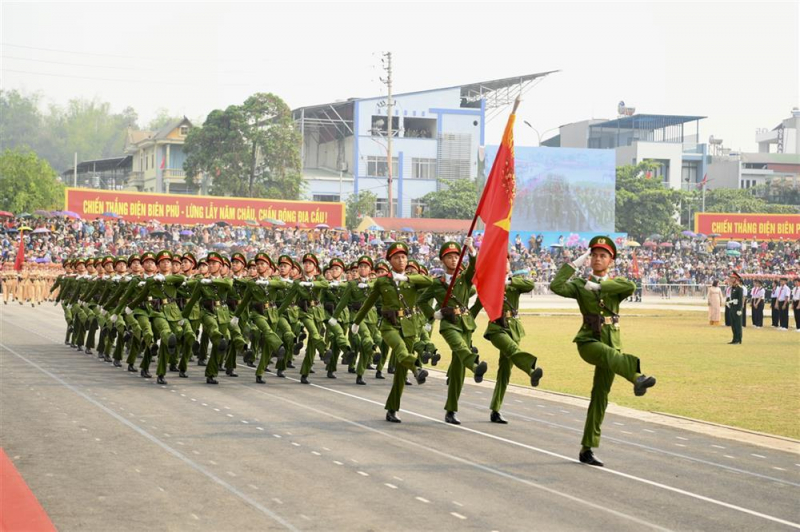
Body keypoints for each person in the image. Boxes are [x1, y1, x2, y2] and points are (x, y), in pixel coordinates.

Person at [550, 236, 657, 467]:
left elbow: (631, 285)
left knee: (600, 397)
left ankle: (587, 448)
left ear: (611, 260)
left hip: (613, 343)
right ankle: (638, 377)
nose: (598, 259)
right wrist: (573, 265)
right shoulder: (580, 285)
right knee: (611, 357)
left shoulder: (615, 284)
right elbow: (556, 286)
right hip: (589, 341)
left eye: (603, 255)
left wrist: (600, 286)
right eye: (594, 255)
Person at [471, 258, 543, 424]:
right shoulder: (488, 286)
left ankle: (495, 410)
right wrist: (464, 329)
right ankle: (531, 370)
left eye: (507, 262)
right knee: (512, 350)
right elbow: (474, 310)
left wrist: (509, 281)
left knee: (505, 372)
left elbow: (530, 285)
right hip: (497, 329)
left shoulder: (513, 284)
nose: (504, 264)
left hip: (514, 329)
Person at [726, 272, 743, 345]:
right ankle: (734, 339)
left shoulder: (739, 289)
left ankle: (738, 339)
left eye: (732, 278)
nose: (731, 279)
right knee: (733, 324)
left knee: (737, 324)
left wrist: (739, 309)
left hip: (737, 309)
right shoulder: (733, 288)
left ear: (736, 279)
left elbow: (740, 300)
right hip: (732, 308)